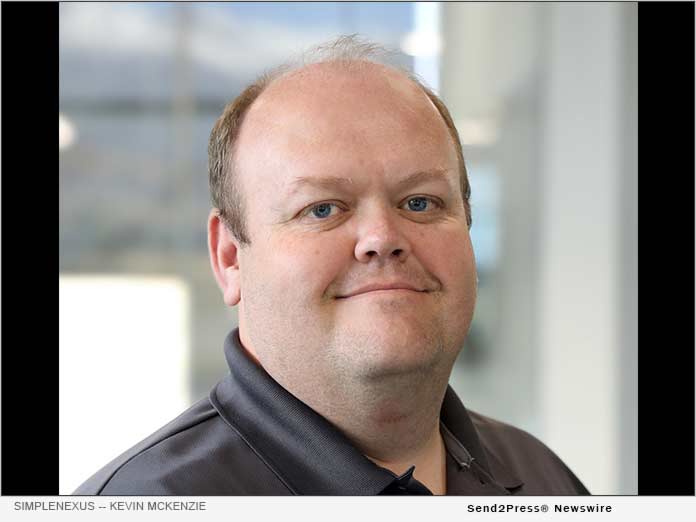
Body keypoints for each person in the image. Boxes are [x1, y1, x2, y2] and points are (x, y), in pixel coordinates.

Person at [74, 36, 589, 496]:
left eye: (420, 202)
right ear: (230, 258)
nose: (382, 238)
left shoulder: (544, 478)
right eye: (322, 209)